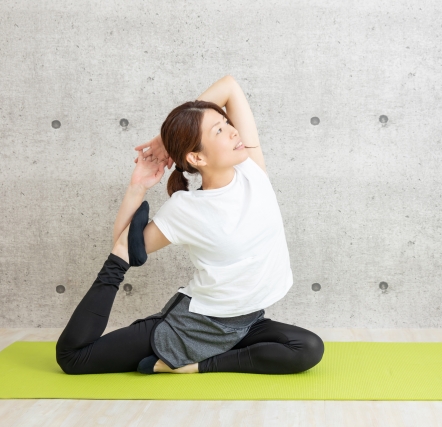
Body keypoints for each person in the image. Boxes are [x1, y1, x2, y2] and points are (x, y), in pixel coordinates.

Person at [55, 75, 325, 375]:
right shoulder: (185, 208)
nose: (234, 131)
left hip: (245, 323)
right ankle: (186, 355)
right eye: (219, 130)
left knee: (308, 347)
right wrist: (137, 187)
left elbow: (229, 86)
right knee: (73, 359)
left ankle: (197, 366)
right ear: (196, 156)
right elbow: (124, 248)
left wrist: (164, 140)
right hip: (192, 326)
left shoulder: (252, 171)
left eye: (227, 123)